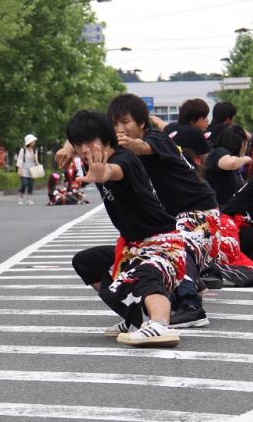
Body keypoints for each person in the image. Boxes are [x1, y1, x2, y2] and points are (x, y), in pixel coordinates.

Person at [67, 110, 186, 348]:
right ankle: (133, 318)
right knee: (86, 262)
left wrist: (105, 173)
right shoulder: (96, 162)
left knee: (144, 272)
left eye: (90, 143)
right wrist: (67, 148)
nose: (84, 150)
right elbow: (82, 142)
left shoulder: (124, 161)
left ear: (106, 139)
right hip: (133, 246)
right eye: (78, 145)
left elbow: (116, 172)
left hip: (163, 244)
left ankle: (160, 324)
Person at [107, 94, 220, 329]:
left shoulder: (158, 139)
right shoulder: (124, 151)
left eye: (126, 122)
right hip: (175, 216)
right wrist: (70, 143)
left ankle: (191, 306)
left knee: (178, 242)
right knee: (149, 247)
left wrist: (132, 144)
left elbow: (145, 147)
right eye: (115, 124)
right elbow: (91, 131)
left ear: (141, 122)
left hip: (200, 211)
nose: (120, 130)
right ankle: (170, 295)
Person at [203, 125, 250, 208]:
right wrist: (246, 159)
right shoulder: (219, 152)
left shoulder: (228, 155)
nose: (246, 147)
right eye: (246, 143)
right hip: (218, 208)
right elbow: (231, 163)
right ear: (240, 142)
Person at [160, 99, 212, 167]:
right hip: (183, 172)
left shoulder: (170, 127)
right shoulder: (195, 132)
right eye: (204, 117)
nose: (207, 120)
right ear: (193, 120)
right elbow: (208, 160)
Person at [16, 134, 40, 205]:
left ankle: (29, 199)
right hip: (24, 169)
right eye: (33, 141)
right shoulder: (23, 150)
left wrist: (35, 159)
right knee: (24, 184)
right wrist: (19, 169)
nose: (34, 142)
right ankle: (20, 197)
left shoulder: (35, 150)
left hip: (32, 170)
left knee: (30, 185)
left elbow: (36, 162)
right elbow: (20, 160)